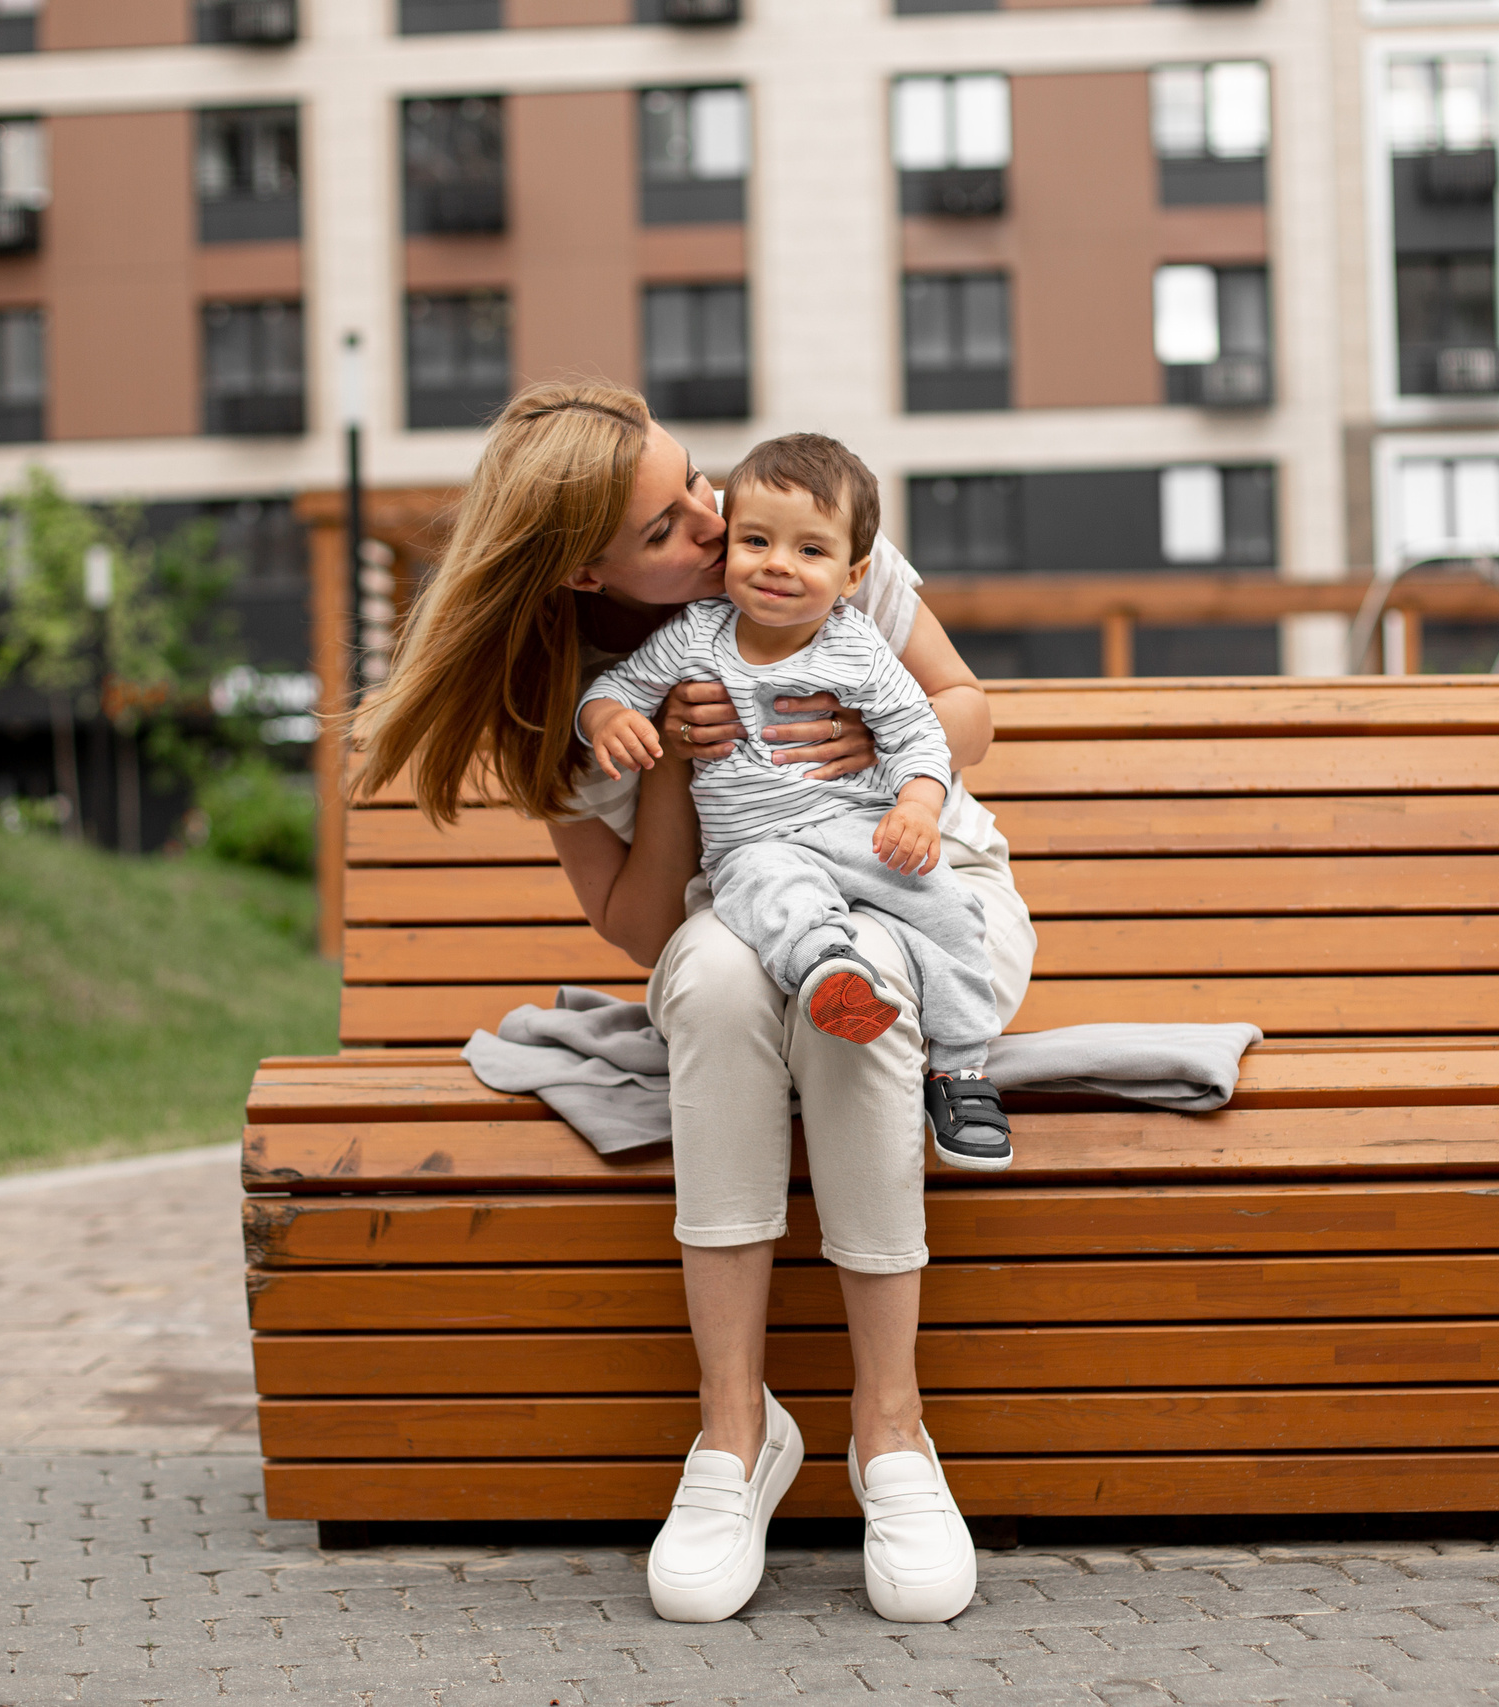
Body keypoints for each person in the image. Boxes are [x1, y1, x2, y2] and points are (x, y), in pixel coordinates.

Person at [349, 383, 1036, 1626]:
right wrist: (676, 753)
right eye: (670, 525)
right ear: (579, 576)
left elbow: (970, 709)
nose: (719, 527)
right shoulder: (562, 688)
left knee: (868, 979)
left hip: (911, 880)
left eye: (697, 483)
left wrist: (882, 749)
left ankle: (892, 1432)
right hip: (739, 905)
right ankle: (735, 1433)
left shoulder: (808, 549)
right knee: (720, 975)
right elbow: (641, 926)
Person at [576, 433, 1012, 1172]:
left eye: (697, 482)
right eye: (755, 539)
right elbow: (612, 691)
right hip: (760, 849)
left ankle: (963, 1069)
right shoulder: (695, 635)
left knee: (941, 907)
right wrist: (627, 726)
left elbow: (936, 723)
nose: (773, 559)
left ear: (851, 572)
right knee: (774, 891)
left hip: (864, 833)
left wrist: (906, 789)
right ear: (584, 573)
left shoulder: (853, 633)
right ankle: (828, 973)